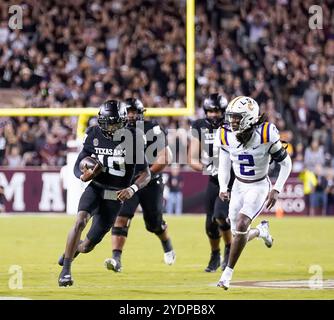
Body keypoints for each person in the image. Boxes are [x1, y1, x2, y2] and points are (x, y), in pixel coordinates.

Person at [57, 100, 151, 286]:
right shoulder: (93, 133)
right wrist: (83, 176)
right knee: (80, 221)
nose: (111, 127)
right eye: (108, 122)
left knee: (87, 246)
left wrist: (132, 188)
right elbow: (78, 164)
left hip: (115, 196)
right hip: (96, 188)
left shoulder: (133, 138)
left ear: (123, 121)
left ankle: (73, 250)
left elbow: (146, 173)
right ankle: (65, 270)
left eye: (115, 123)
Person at [215, 96, 292, 290]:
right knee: (238, 234)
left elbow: (285, 163)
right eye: (231, 117)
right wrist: (223, 186)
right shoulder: (225, 134)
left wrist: (276, 189)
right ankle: (261, 232)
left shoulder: (266, 134)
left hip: (258, 186)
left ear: (249, 118)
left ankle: (227, 274)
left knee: (241, 224)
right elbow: (224, 160)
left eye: (236, 117)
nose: (231, 121)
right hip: (239, 186)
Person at [105, 98, 175, 272]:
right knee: (121, 217)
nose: (130, 116)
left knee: (154, 224)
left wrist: (145, 174)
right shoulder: (117, 129)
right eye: (128, 112)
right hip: (128, 182)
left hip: (150, 182)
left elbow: (165, 158)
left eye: (134, 112)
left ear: (141, 113)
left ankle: (167, 244)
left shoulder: (153, 129)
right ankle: (116, 259)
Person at [188, 93, 234, 272]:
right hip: (214, 179)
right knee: (210, 224)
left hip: (231, 178)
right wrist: (207, 168)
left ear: (223, 111)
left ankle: (229, 247)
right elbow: (192, 158)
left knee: (220, 214)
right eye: (210, 111)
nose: (214, 114)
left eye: (217, 111)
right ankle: (215, 255)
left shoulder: (232, 125)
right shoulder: (199, 126)